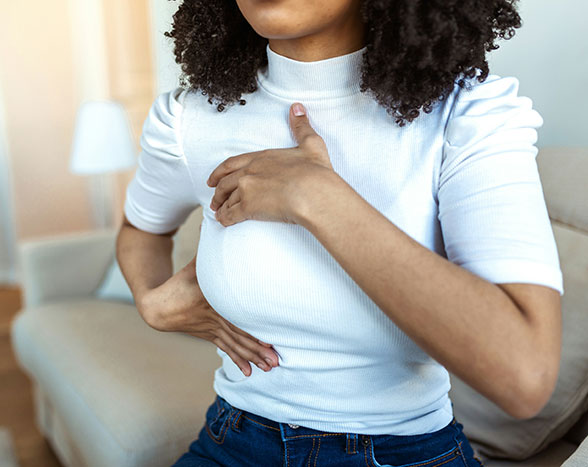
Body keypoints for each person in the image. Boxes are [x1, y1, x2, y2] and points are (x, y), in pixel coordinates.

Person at [116, 0, 564, 465]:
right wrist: (150, 300)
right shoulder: (189, 119)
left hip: (404, 452)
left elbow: (524, 376)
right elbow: (141, 229)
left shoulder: (468, 115)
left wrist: (318, 198)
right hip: (231, 441)